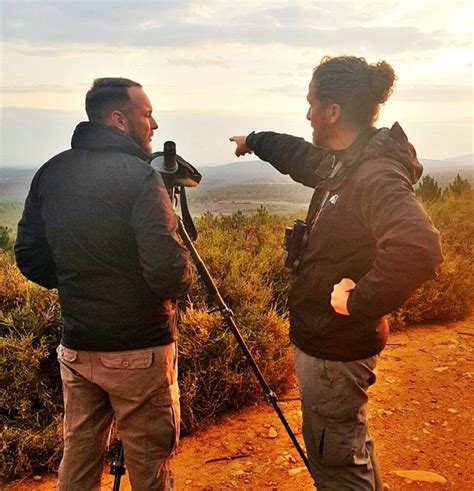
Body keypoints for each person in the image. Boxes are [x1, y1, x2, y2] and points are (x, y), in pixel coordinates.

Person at [230, 56, 443, 490]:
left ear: (333, 111)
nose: (307, 113)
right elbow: (299, 156)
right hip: (331, 346)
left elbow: (419, 248)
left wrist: (358, 300)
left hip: (336, 348)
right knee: (349, 448)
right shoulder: (346, 161)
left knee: (338, 465)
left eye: (312, 104)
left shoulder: (374, 173)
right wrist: (254, 140)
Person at [15, 78, 193, 490]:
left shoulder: (51, 172)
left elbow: (29, 256)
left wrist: (81, 284)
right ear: (118, 120)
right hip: (139, 351)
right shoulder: (140, 178)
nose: (155, 124)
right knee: (151, 465)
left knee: (78, 457)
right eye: (146, 114)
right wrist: (177, 280)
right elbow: (167, 273)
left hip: (77, 347)